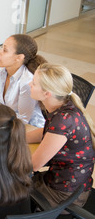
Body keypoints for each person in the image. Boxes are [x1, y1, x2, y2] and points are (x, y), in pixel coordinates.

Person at [27, 63, 95, 208]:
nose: (29, 84)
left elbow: (34, 165)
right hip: (64, 182)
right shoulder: (62, 105)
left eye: (33, 83)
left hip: (63, 195)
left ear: (47, 94)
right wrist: (18, 137)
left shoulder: (63, 119)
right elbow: (48, 132)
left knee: (4, 187)